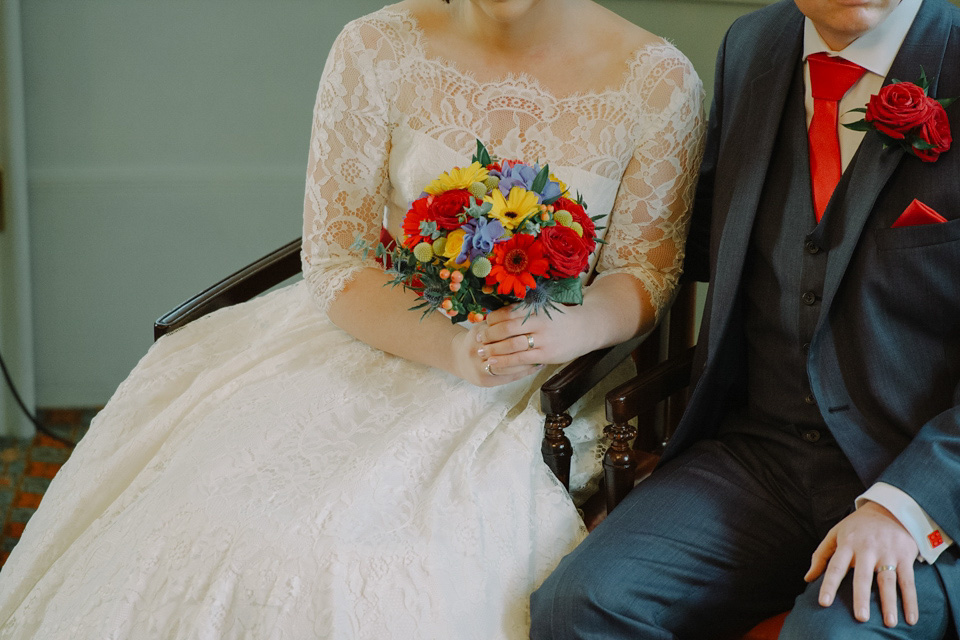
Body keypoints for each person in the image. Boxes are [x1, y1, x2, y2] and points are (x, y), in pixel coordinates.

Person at [0, 0, 704, 637]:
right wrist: (452, 344)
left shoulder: (658, 82)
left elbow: (646, 271)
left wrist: (567, 329)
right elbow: (337, 255)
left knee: (346, 556)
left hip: (535, 374)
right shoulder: (375, 47)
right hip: (373, 331)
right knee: (196, 510)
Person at [530, 0, 960, 637]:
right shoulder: (752, 46)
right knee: (582, 602)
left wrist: (908, 504)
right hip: (762, 457)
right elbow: (696, 228)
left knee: (832, 635)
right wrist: (533, 241)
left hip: (920, 473)